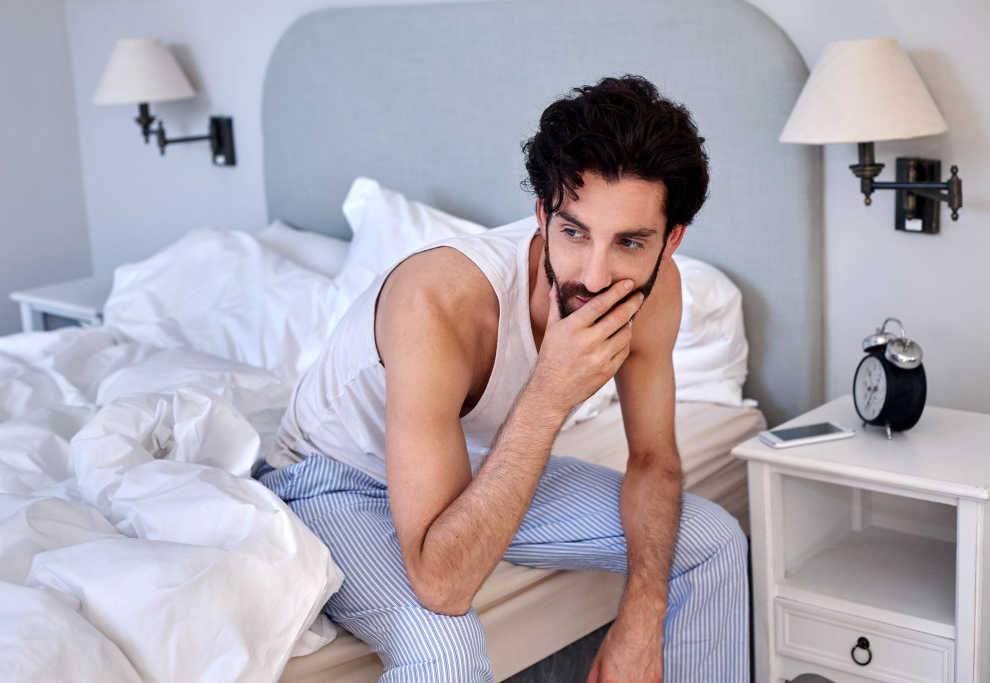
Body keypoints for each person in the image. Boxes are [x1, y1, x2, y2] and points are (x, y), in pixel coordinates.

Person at [255, 75, 749, 682]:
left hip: (468, 463)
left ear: (670, 241)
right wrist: (548, 392)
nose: (594, 276)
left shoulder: (655, 291)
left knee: (713, 541)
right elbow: (442, 586)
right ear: (542, 213)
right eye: (574, 232)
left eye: (629, 242)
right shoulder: (437, 302)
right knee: (444, 647)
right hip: (336, 482)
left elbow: (653, 459)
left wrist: (641, 619)